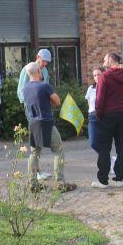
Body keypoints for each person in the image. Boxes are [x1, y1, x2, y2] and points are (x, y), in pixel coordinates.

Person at [23, 63, 76, 192]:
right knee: (59, 151)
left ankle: (32, 183)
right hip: (46, 122)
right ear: (38, 72)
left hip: (33, 122)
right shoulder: (44, 86)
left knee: (34, 153)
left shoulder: (25, 88)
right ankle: (60, 182)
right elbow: (57, 101)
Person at [92, 53, 123, 188]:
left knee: (104, 147)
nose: (103, 62)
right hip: (122, 114)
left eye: (104, 59)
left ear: (110, 60)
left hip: (107, 115)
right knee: (122, 148)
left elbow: (100, 98)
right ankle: (119, 179)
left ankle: (103, 180)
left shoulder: (105, 76)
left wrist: (98, 114)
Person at [85, 68, 102, 152]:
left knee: (104, 141)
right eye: (95, 75)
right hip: (92, 116)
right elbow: (89, 102)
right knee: (93, 143)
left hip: (103, 116)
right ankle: (107, 157)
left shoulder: (107, 86)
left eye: (98, 74)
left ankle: (105, 160)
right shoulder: (91, 88)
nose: (96, 77)